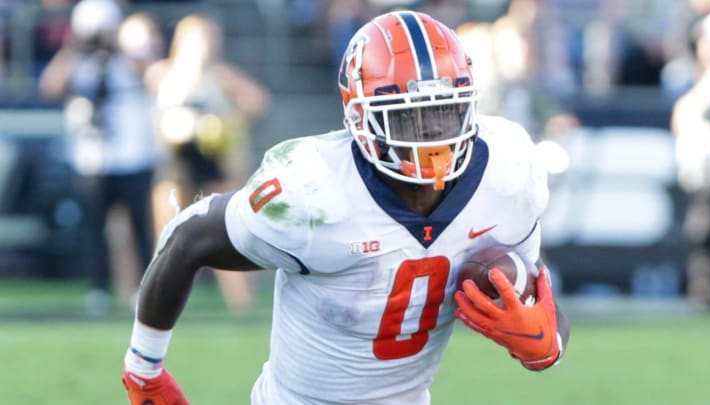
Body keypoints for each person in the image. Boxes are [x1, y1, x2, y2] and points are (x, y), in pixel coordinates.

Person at [121, 11, 570, 404]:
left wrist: (547, 342)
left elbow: (538, 297)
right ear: (360, 116)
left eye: (445, 111)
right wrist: (144, 370)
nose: (432, 134)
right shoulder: (311, 193)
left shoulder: (507, 171)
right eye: (407, 117)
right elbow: (189, 236)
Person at [39, 0, 163, 314]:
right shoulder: (77, 61)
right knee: (94, 228)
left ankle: (145, 287)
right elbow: (50, 87)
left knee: (139, 228)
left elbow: (150, 77)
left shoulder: (128, 58)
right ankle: (98, 288)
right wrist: (73, 49)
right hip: (92, 158)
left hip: (132, 155)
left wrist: (117, 46)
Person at [144, 14, 271, 313]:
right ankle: (154, 304)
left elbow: (258, 102)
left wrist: (229, 123)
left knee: (226, 233)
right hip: (175, 161)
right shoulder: (164, 73)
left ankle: (242, 306)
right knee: (167, 236)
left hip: (212, 160)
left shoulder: (221, 75)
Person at [672, 9, 710, 304]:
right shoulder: (703, 78)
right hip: (705, 175)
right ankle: (704, 294)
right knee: (702, 238)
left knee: (706, 236)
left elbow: (697, 112)